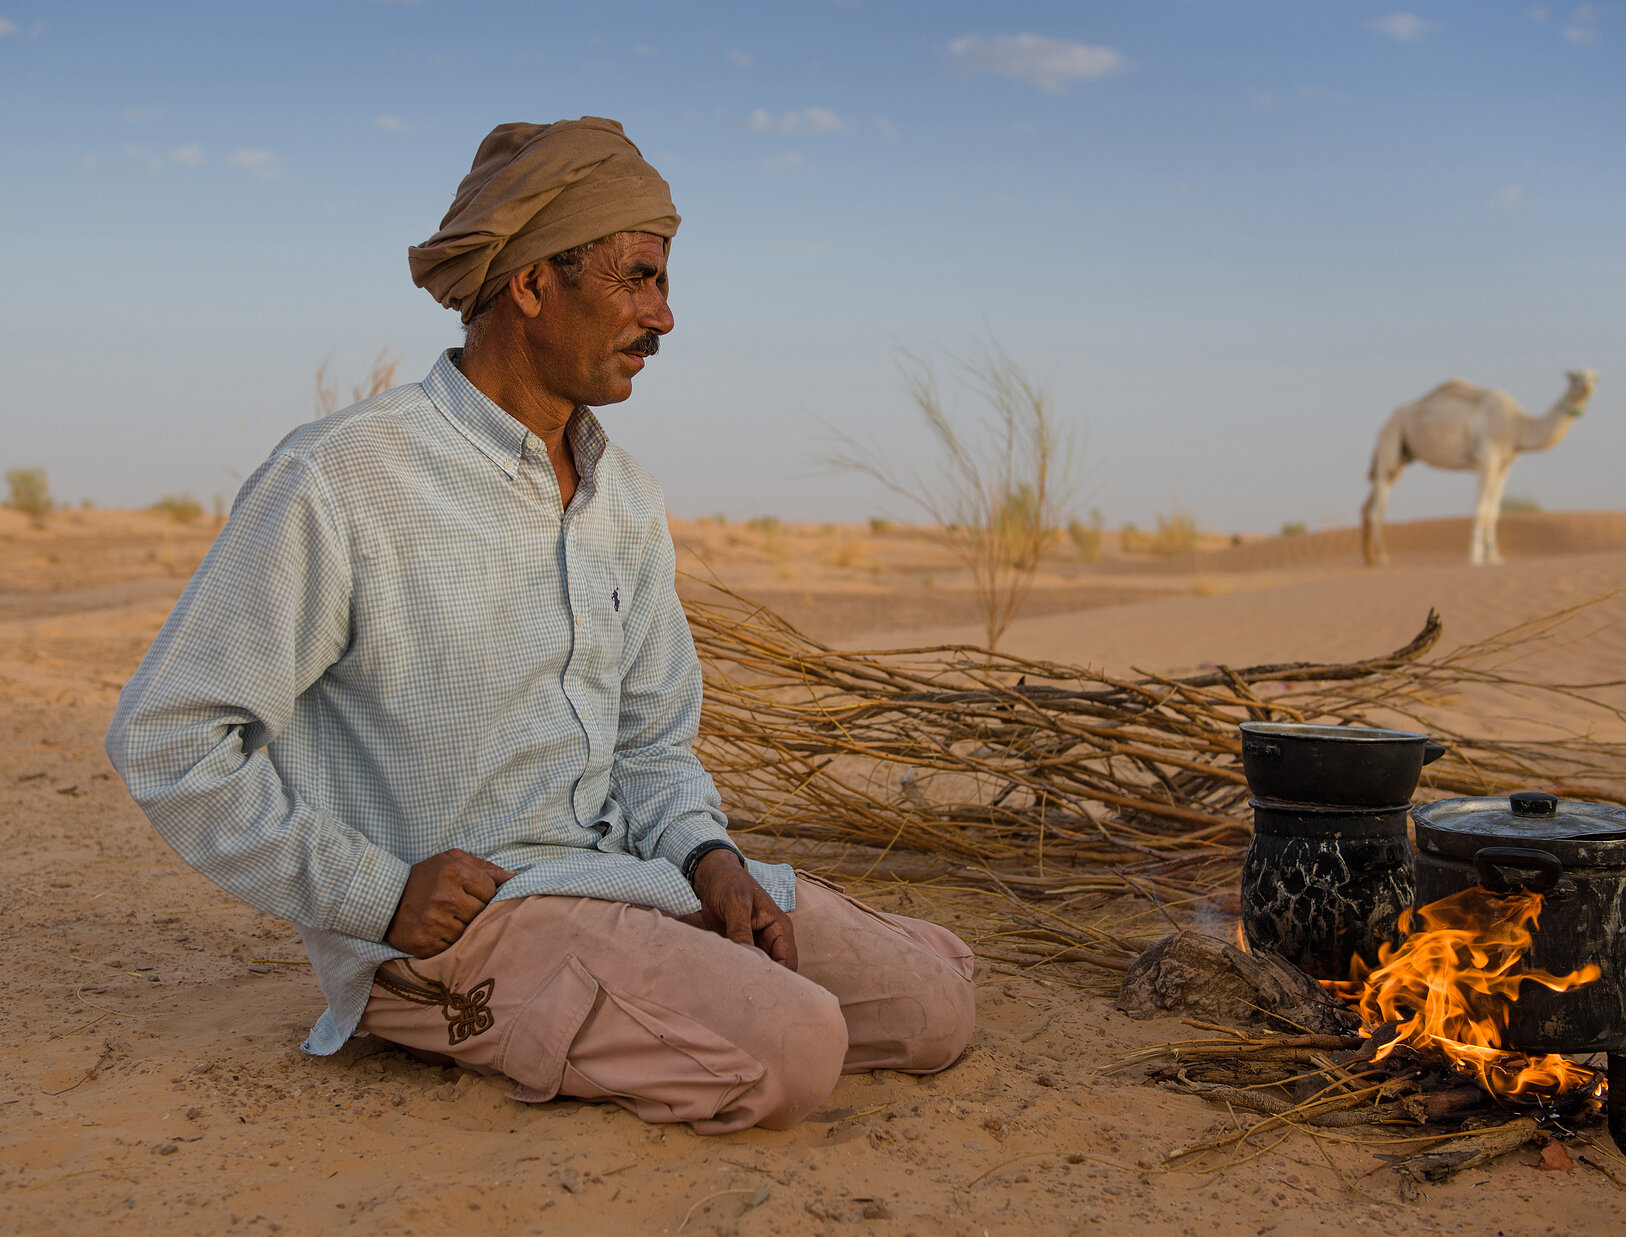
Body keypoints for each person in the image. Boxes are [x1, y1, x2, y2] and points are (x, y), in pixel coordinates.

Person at [105, 116, 975, 1135]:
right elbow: (169, 733)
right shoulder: (341, 478)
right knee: (792, 1048)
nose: (664, 316)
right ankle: (436, 1009)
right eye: (638, 278)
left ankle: (694, 967)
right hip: (453, 936)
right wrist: (376, 894)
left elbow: (651, 743)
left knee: (935, 1004)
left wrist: (711, 861)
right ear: (530, 284)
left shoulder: (625, 500)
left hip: (622, 879)